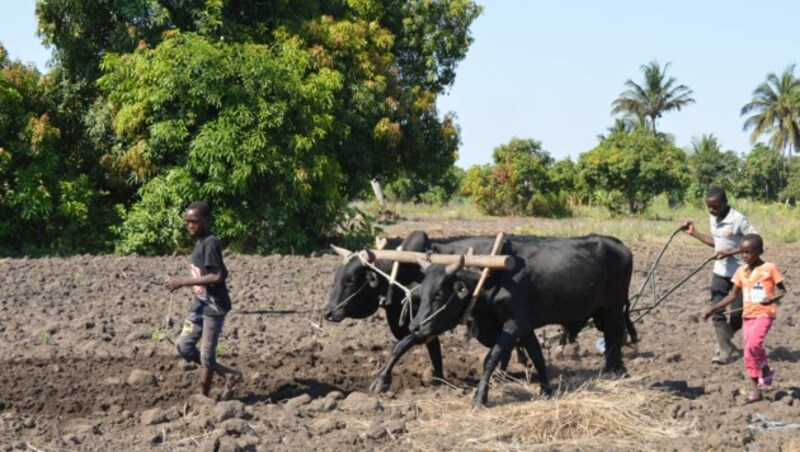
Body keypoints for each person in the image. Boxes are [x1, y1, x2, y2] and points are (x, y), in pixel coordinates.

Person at [165, 201, 242, 399]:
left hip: (214, 307)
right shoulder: (200, 242)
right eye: (188, 222)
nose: (190, 225)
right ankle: (228, 373)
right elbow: (223, 269)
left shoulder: (210, 242)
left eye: (195, 221)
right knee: (184, 346)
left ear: (206, 221)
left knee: (207, 355)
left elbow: (217, 276)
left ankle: (204, 398)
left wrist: (183, 282)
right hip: (200, 304)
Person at [702, 234, 786, 403]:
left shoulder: (770, 268)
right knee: (749, 352)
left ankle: (762, 375)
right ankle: (758, 386)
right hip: (747, 315)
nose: (745, 256)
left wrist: (772, 298)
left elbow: (783, 290)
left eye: (749, 252)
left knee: (754, 345)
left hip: (764, 314)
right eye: (742, 252)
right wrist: (713, 308)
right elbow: (732, 295)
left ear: (760, 251)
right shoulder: (741, 271)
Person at [681, 186, 757, 364]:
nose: (712, 210)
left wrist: (731, 252)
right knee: (716, 310)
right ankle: (725, 351)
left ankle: (725, 338)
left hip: (741, 274)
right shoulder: (713, 218)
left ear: (725, 202)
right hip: (720, 272)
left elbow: (755, 243)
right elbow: (716, 243)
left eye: (715, 206)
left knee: (737, 317)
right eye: (709, 207)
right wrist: (694, 233)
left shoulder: (739, 219)